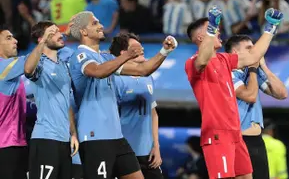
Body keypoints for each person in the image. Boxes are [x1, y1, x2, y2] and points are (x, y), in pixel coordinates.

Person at [68, 11, 177, 179]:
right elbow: (97, 71)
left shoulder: (105, 59)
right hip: (95, 136)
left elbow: (143, 70)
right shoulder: (79, 56)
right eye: (95, 23)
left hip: (117, 136)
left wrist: (164, 51)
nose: (101, 26)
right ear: (84, 31)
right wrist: (127, 55)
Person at [184, 6, 283, 179]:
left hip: (235, 133)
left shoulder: (225, 60)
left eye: (216, 28)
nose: (218, 31)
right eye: (213, 30)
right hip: (217, 134)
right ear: (202, 37)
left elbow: (253, 57)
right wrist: (211, 28)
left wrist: (271, 28)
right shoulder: (192, 63)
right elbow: (203, 59)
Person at [225, 34, 288, 179]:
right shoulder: (227, 74)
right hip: (238, 140)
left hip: (257, 141)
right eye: (249, 49)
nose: (255, 52)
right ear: (235, 53)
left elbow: (282, 94)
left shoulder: (253, 72)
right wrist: (254, 69)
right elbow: (250, 96)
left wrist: (263, 66)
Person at [24, 21, 79, 179]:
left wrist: (73, 133)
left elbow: (66, 100)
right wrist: (43, 42)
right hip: (45, 138)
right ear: (42, 38)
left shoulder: (63, 65)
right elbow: (28, 70)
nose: (60, 34)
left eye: (58, 31)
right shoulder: (39, 63)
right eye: (53, 32)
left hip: (64, 140)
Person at [108, 33, 163, 179]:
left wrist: (156, 146)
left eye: (141, 46)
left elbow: (153, 113)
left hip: (148, 153)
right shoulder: (116, 80)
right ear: (123, 54)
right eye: (136, 47)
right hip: (125, 153)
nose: (142, 49)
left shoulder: (148, 77)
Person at [0, 28, 28, 179]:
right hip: (6, 145)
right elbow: (31, 60)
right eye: (9, 38)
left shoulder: (13, 72)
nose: (15, 41)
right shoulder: (4, 67)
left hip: (16, 142)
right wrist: (44, 42)